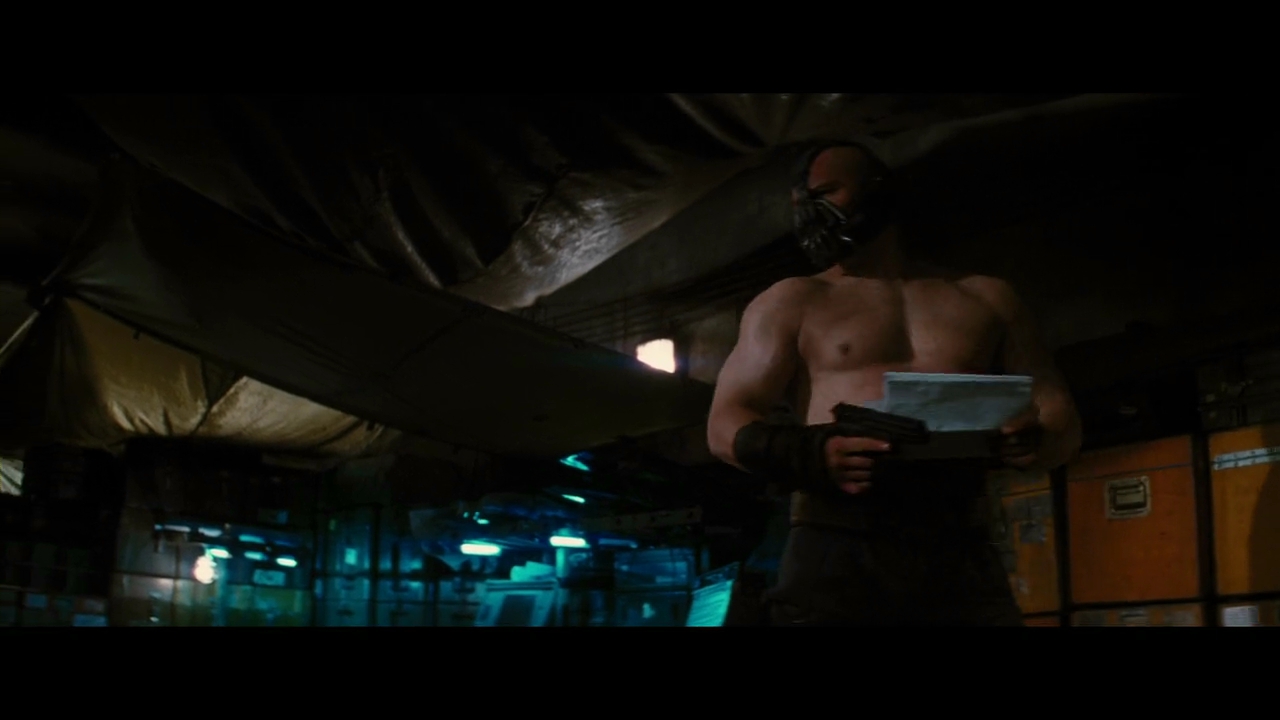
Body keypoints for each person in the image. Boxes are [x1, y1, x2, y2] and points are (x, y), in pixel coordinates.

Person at [706, 141, 1082, 626]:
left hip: (958, 542)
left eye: (826, 191)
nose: (811, 212)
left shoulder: (987, 298)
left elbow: (1059, 416)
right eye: (802, 202)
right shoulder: (792, 300)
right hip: (838, 540)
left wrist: (1035, 438)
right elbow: (724, 425)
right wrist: (811, 453)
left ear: (877, 190)